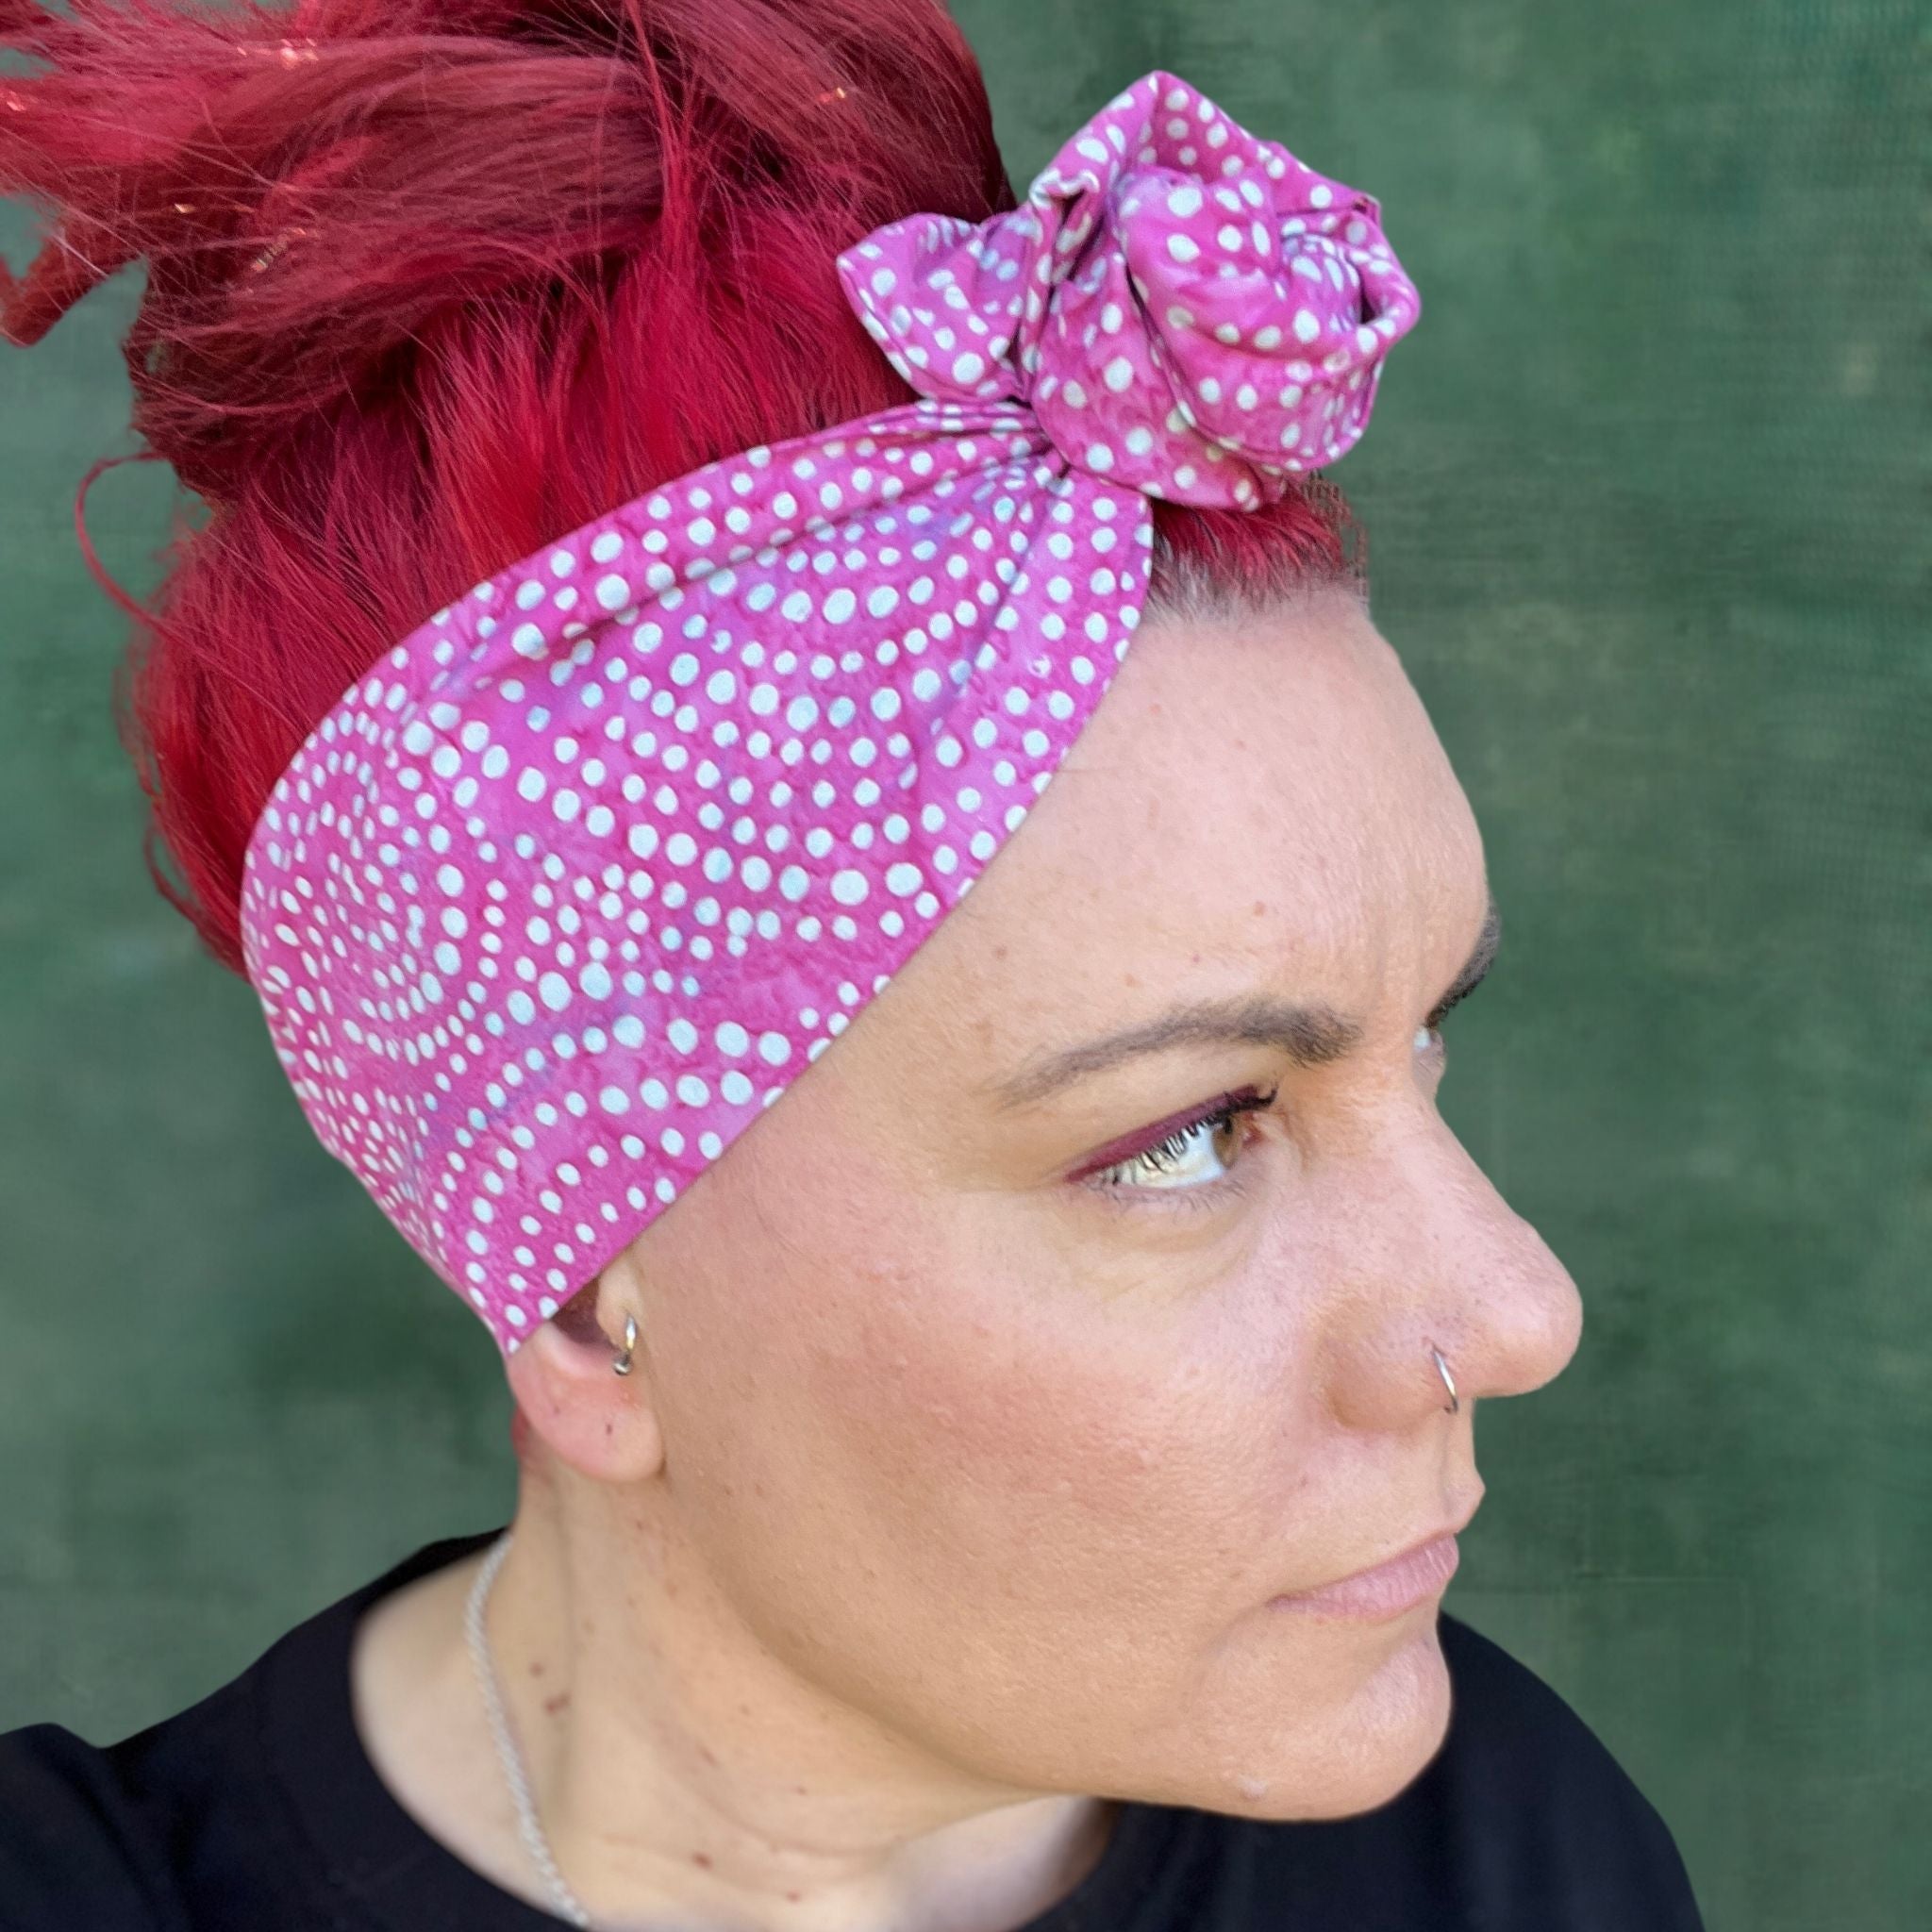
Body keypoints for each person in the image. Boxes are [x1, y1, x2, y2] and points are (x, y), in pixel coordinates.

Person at [0, 3, 1707, 1928]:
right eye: (1189, 1134)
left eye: (1429, 1044)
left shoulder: (1516, 1861)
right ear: (586, 1312)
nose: (1519, 1311)